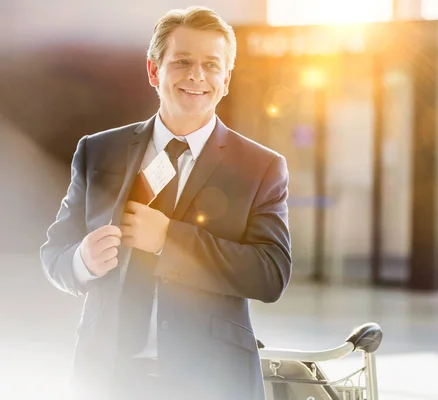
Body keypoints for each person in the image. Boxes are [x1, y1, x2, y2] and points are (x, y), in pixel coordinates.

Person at [40, 6, 292, 400]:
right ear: (154, 71)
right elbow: (55, 253)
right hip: (107, 378)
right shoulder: (98, 151)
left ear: (226, 79)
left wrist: (168, 239)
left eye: (212, 65)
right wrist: (81, 261)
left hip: (211, 380)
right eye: (182, 62)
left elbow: (271, 274)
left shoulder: (261, 167)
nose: (197, 75)